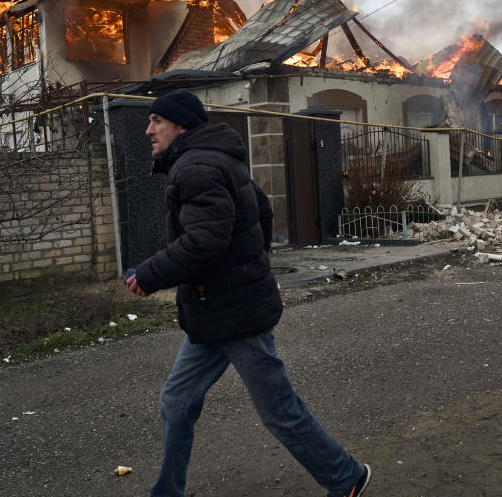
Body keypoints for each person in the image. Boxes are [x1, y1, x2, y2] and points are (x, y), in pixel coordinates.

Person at [125, 91, 371, 497]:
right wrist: (251, 264)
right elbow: (263, 212)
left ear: (181, 125)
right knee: (177, 403)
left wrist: (149, 275)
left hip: (234, 313)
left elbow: (204, 242)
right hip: (214, 310)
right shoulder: (216, 159)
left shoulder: (197, 167)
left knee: (279, 411)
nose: (147, 129)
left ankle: (346, 477)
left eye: (156, 121)